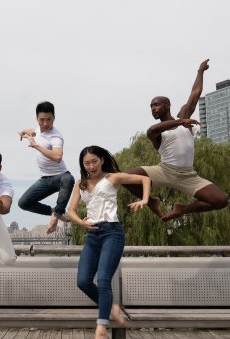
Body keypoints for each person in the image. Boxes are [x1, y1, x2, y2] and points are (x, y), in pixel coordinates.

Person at [124, 58, 230, 221]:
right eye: (151, 106)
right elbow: (151, 130)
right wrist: (181, 121)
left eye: (156, 104)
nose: (153, 108)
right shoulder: (159, 132)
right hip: (164, 171)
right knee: (125, 177)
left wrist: (200, 71)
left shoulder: (184, 116)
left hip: (188, 175)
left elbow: (195, 94)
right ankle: (152, 202)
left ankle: (181, 209)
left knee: (221, 200)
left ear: (167, 105)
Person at [67, 145, 151, 339]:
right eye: (86, 163)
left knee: (104, 280)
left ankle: (101, 328)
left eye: (94, 161)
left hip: (112, 232)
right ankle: (112, 307)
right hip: (92, 235)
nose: (91, 166)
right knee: (83, 281)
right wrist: (81, 222)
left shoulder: (112, 178)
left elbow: (145, 179)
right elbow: (71, 210)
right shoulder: (81, 183)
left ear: (102, 160)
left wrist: (144, 200)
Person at [17, 101, 75, 234]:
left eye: (49, 119)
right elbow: (28, 130)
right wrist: (23, 132)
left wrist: (36, 146)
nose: (45, 123)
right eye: (41, 120)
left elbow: (57, 156)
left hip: (60, 177)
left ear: (54, 118)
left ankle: (56, 216)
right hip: (45, 179)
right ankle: (53, 211)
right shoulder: (37, 130)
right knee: (23, 203)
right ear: (37, 118)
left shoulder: (56, 136)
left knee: (69, 178)